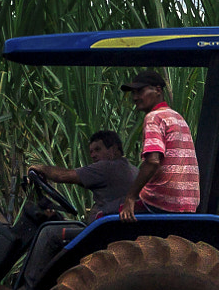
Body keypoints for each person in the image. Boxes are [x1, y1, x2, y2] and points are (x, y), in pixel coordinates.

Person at [118, 70, 199, 217]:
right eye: (133, 93)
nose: (135, 98)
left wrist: (130, 197)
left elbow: (152, 162)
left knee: (107, 215)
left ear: (158, 90)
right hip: (188, 203)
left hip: (162, 202)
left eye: (140, 91)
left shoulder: (154, 117)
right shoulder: (177, 117)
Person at [30, 131, 134, 223]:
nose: (93, 155)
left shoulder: (107, 167)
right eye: (91, 152)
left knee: (48, 232)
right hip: (110, 225)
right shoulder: (131, 169)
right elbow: (79, 180)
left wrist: (39, 168)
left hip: (104, 229)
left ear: (114, 150)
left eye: (98, 150)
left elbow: (62, 176)